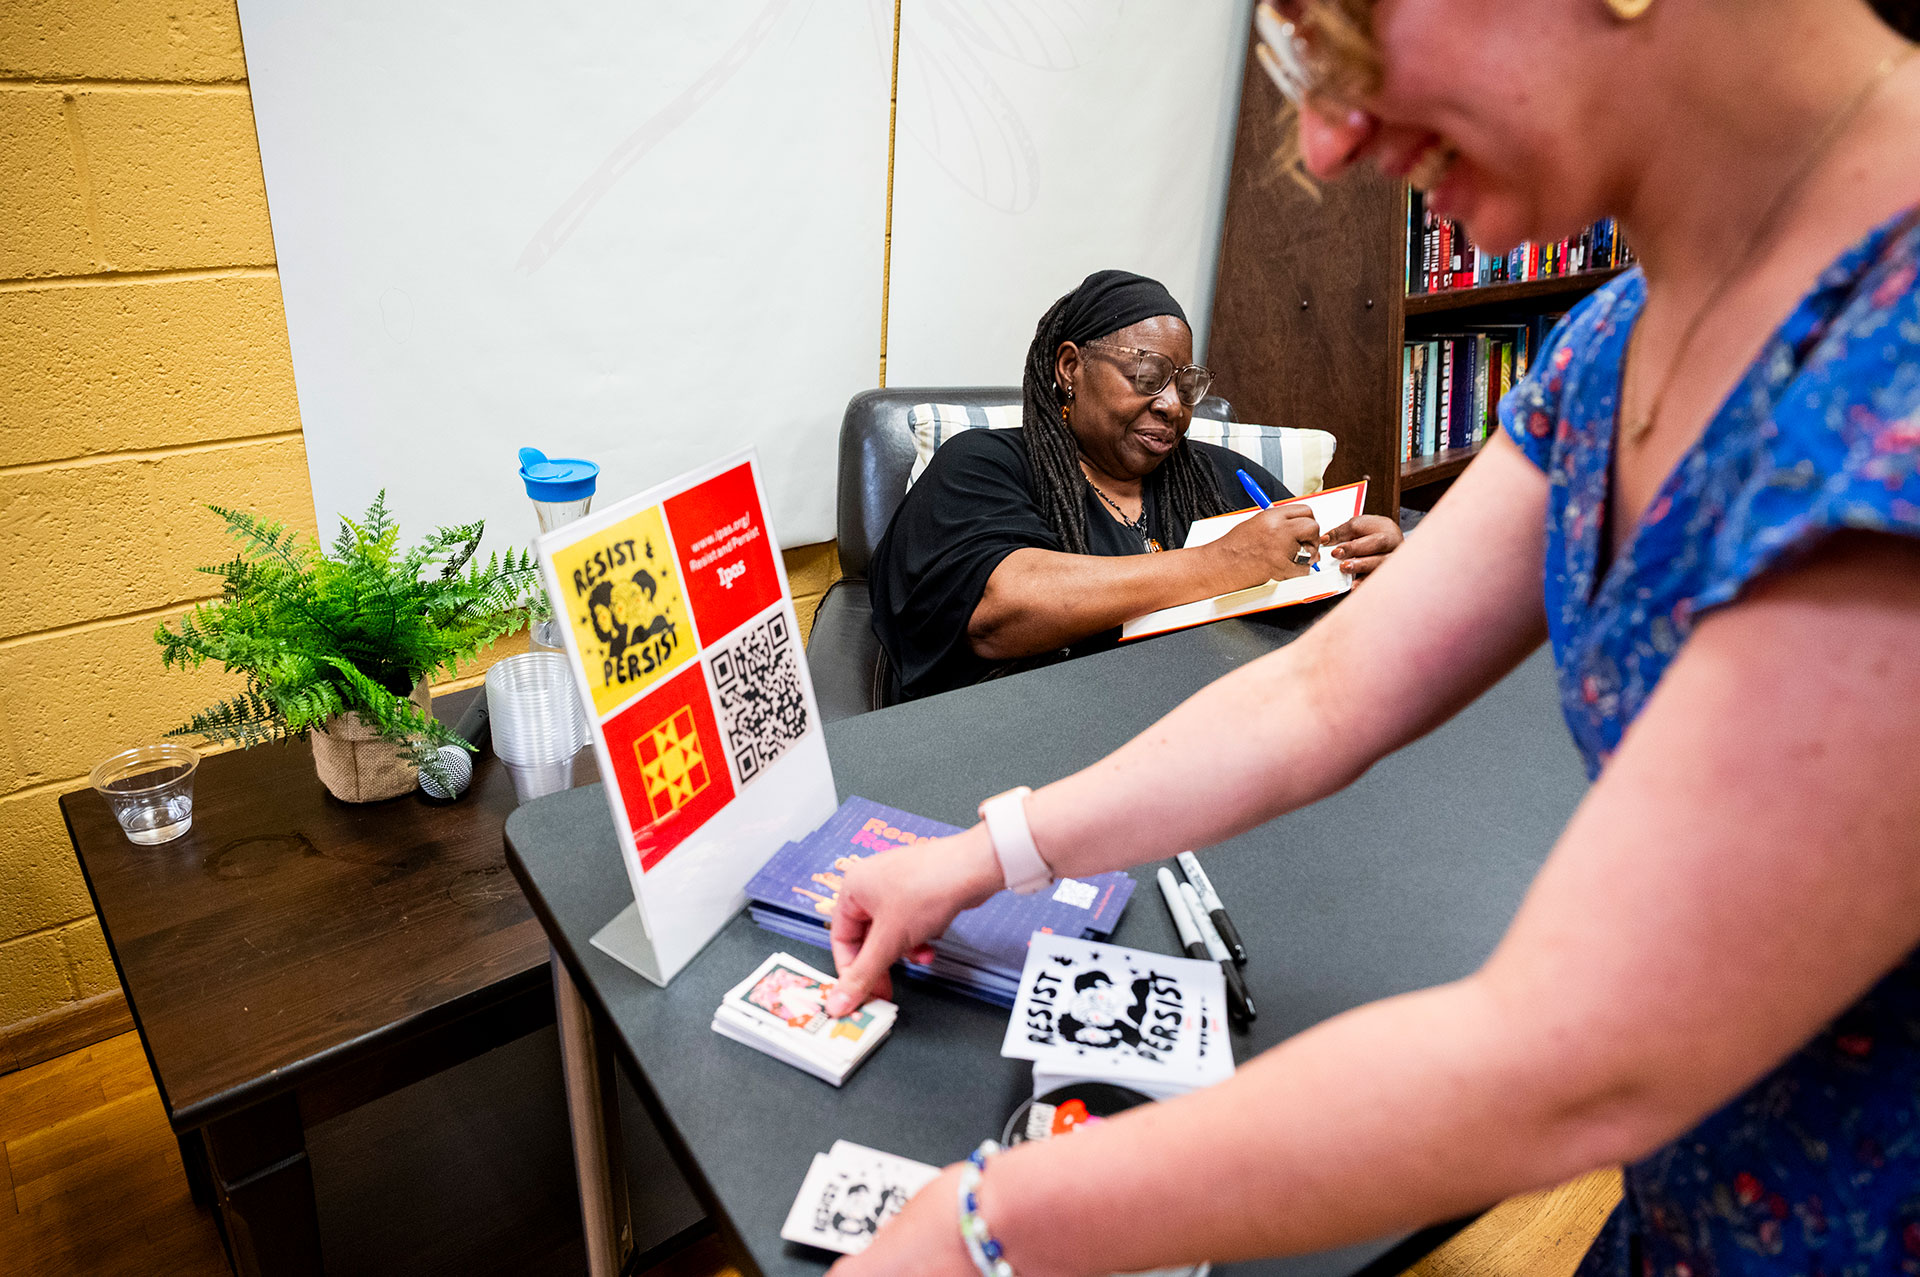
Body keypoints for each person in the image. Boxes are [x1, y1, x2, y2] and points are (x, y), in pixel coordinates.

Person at [822, 0, 1920, 1274]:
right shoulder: (1614, 342)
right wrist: (981, 856)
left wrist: (994, 1219)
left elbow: (1579, 1055)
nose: (1329, 145)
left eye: (1348, 25)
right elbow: (1326, 690)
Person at [868, 269, 1404, 700]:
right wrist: (1224, 562)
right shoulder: (984, 464)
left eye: (1187, 385)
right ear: (1071, 366)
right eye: (1147, 377)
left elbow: (1317, 584)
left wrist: (1369, 564)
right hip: (1028, 743)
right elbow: (1000, 610)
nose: (1172, 405)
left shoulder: (1216, 476)